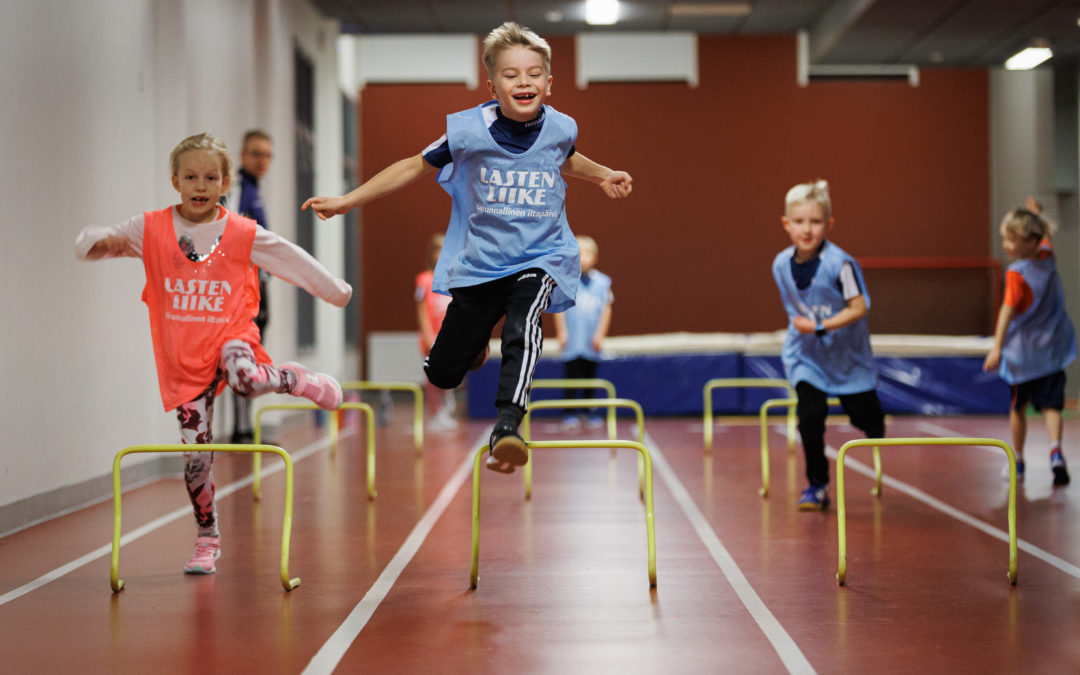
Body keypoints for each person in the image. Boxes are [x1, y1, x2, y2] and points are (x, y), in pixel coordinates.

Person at [302, 21, 632, 474]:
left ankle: (508, 427)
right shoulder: (467, 131)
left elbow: (567, 157)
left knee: (524, 323)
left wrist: (604, 174)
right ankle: (469, 347)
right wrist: (347, 200)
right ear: (492, 83)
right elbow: (410, 166)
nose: (524, 82)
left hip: (542, 255)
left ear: (549, 84)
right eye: (511, 75)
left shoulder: (560, 128)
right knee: (442, 372)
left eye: (534, 73)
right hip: (482, 264)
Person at [75, 132, 351, 574]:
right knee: (195, 461)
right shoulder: (151, 228)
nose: (199, 186)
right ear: (175, 181)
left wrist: (335, 292)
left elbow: (290, 258)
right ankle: (207, 538)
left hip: (231, 335)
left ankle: (296, 380)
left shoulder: (240, 232)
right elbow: (107, 240)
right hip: (183, 358)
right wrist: (93, 243)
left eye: (209, 177)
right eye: (190, 177)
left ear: (224, 183)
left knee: (245, 379)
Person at [772, 180, 885, 510]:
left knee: (865, 418)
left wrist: (821, 325)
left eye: (815, 221)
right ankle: (817, 484)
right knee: (809, 416)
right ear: (786, 224)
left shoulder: (841, 264)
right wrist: (806, 328)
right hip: (807, 356)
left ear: (829, 225)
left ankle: (873, 420)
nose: (807, 230)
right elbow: (797, 306)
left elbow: (859, 306)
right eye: (799, 221)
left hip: (847, 356)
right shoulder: (780, 265)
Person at [983, 207, 1074, 486]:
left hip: (1023, 355)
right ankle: (1056, 449)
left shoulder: (1016, 274)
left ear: (1030, 242)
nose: (1006, 245)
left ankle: (1019, 460)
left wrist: (997, 347)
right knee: (1052, 407)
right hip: (1051, 349)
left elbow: (1007, 311)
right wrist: (1036, 215)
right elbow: (1044, 234)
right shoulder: (1048, 256)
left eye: (1012, 240)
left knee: (1018, 408)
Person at [226, 129, 274, 444]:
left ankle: (246, 429)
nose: (262, 161)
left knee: (254, 353)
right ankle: (241, 430)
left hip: (259, 281)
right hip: (242, 285)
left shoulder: (254, 189)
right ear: (243, 155)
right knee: (243, 353)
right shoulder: (237, 187)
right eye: (256, 154)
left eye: (268, 155)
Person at [554, 235, 613, 429]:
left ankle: (588, 411)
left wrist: (600, 335)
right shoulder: (565, 280)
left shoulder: (603, 282)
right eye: (579, 254)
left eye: (587, 254)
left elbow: (606, 309)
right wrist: (562, 332)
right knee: (571, 375)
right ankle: (569, 413)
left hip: (590, 339)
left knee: (590, 376)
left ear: (595, 257)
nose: (583, 258)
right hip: (573, 338)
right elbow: (559, 309)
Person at [416, 233, 458, 430]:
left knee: (453, 371)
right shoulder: (424, 280)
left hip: (449, 336)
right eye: (438, 250)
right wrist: (428, 336)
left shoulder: (452, 279)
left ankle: (448, 402)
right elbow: (422, 310)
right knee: (432, 376)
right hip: (431, 338)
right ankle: (436, 412)